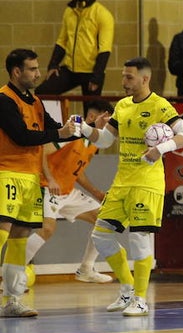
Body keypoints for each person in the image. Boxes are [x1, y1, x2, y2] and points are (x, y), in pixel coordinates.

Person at [79, 58, 183, 317]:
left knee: (139, 239)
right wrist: (84, 129)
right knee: (101, 235)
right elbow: (106, 139)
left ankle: (141, 300)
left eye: (129, 77)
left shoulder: (159, 106)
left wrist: (160, 149)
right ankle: (128, 289)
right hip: (122, 182)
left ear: (145, 79)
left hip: (147, 183)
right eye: (123, 76)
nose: (124, 82)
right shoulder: (121, 106)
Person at [0, 49, 82, 317]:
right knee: (2, 231)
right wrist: (59, 132)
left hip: (31, 177)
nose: (38, 74)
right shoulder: (4, 100)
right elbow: (22, 137)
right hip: (7, 174)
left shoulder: (35, 101)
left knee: (20, 237)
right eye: (32, 69)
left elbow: (56, 130)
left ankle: (12, 300)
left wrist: (82, 127)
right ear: (16, 72)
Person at [24, 98, 116, 286]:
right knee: (47, 229)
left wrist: (96, 192)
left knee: (105, 220)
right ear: (92, 117)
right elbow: (40, 151)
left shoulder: (94, 142)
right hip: (45, 187)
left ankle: (86, 269)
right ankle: (12, 273)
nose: (109, 125)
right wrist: (50, 179)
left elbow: (77, 171)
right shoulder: (71, 133)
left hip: (68, 192)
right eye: (106, 120)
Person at [39, 0, 114, 96]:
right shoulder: (69, 11)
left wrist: (97, 76)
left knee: (92, 111)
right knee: (42, 92)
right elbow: (62, 41)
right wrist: (53, 65)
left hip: (91, 71)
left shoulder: (103, 14)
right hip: (70, 69)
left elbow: (104, 49)